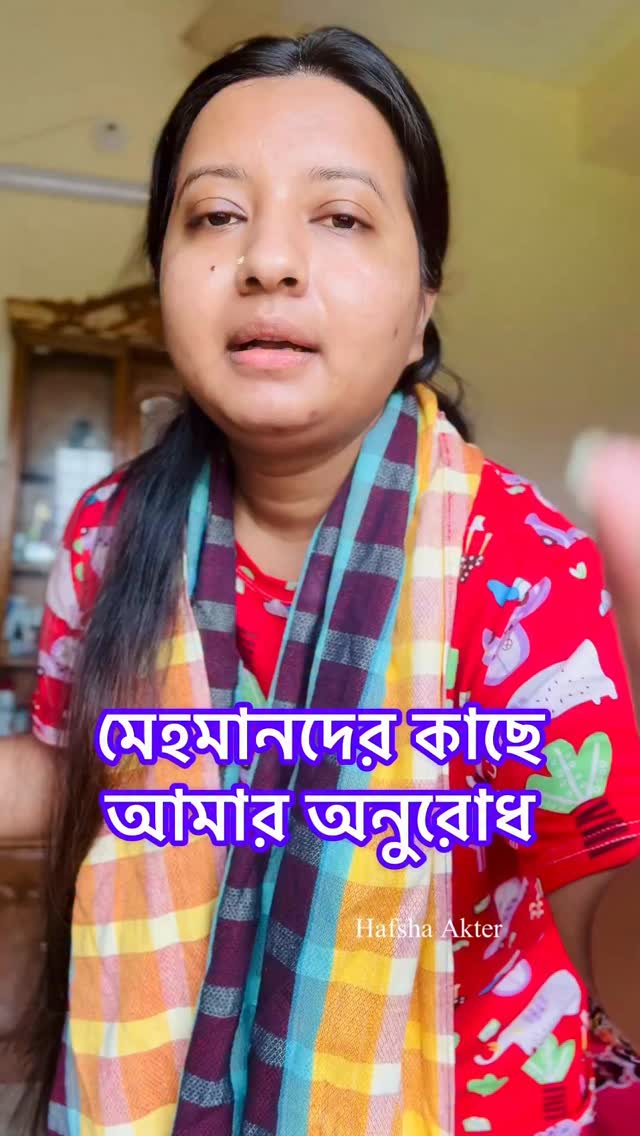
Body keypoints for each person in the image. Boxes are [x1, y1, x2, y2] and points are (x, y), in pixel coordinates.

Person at [1, 26, 639, 1136]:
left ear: (423, 300)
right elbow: (84, 775)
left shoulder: (520, 560)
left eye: (340, 217)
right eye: (215, 216)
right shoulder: (109, 533)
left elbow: (595, 908)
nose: (269, 261)